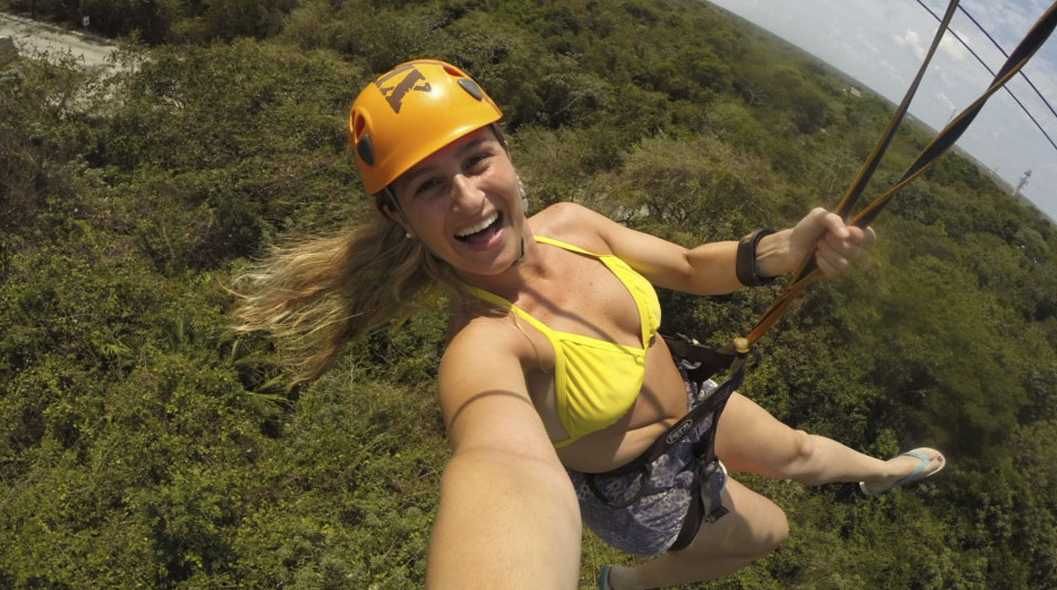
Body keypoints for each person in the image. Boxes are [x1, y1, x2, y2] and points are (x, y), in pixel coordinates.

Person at [233, 58, 946, 590]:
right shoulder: (484, 346)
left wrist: (787, 250)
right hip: (641, 487)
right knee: (770, 531)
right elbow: (502, 466)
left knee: (793, 452)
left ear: (507, 155)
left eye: (478, 159)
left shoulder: (574, 225)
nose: (468, 196)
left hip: (691, 405)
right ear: (399, 217)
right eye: (427, 186)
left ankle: (881, 472)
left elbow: (694, 267)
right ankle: (629, 584)